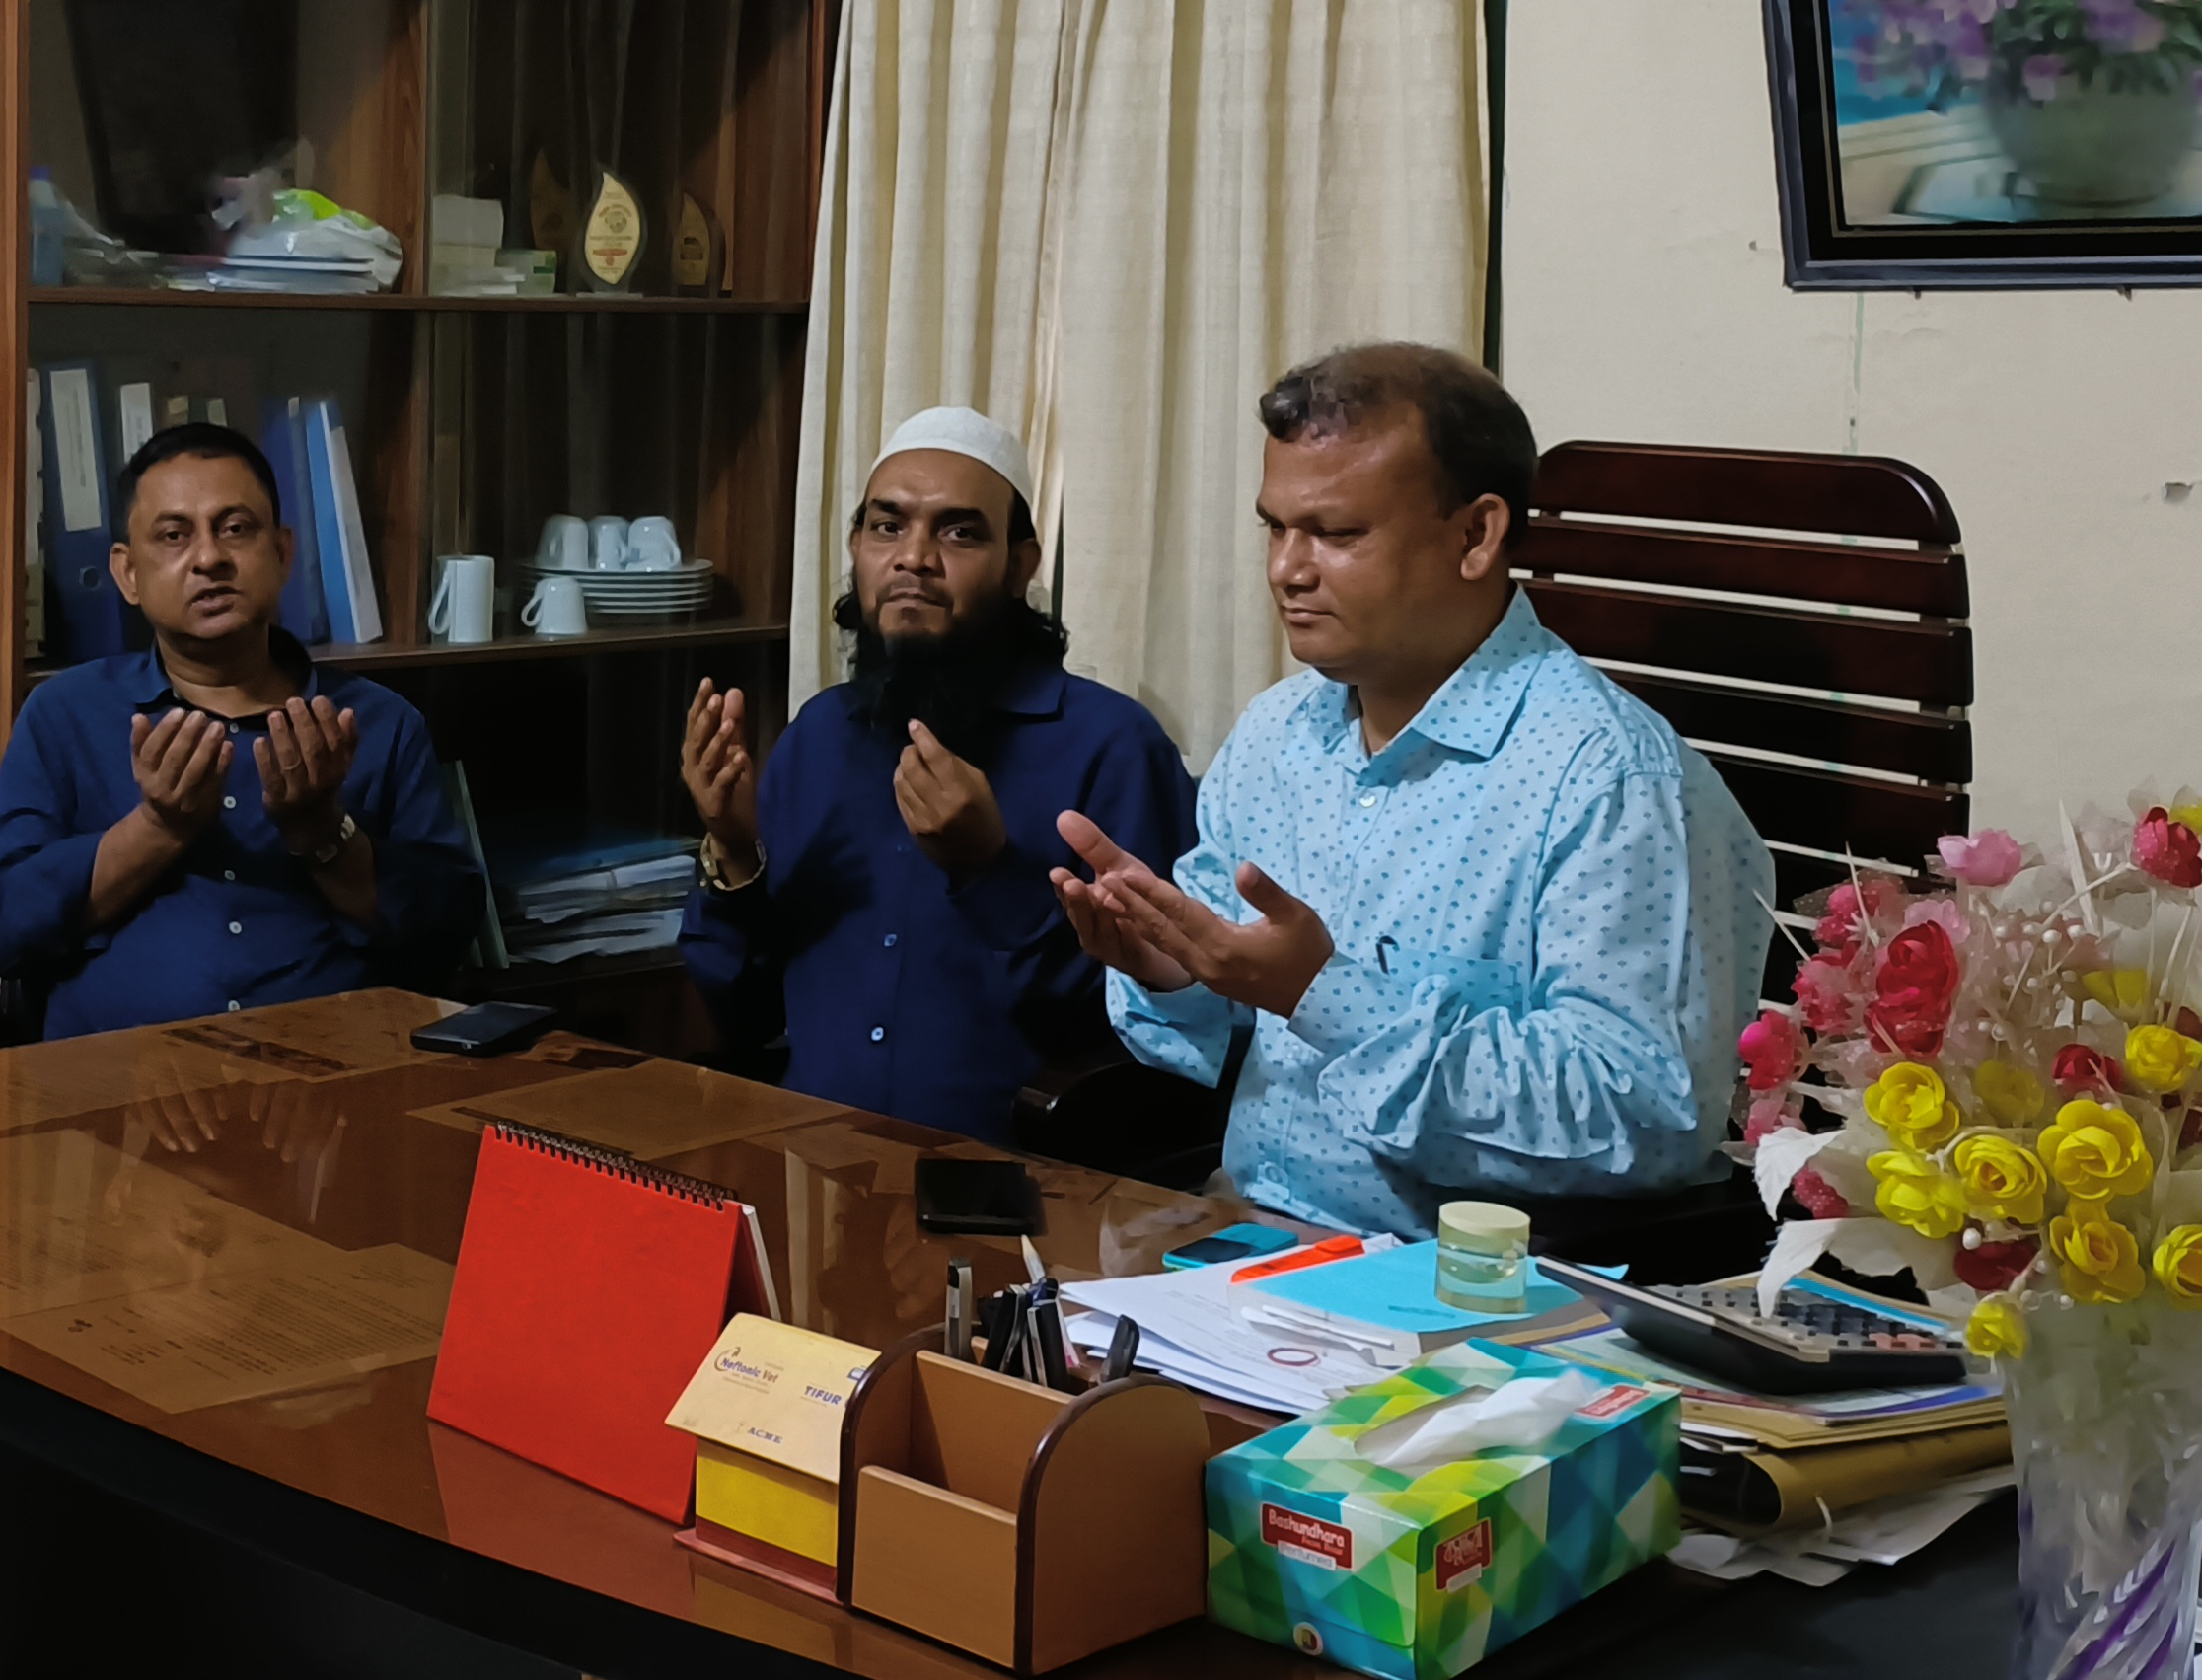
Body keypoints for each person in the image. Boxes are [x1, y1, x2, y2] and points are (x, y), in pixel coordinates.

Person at [1046, 346, 1774, 1243]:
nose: (1287, 569)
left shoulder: (1611, 780)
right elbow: (1224, 996)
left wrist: (1321, 993)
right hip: (1240, 1239)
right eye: (1275, 528)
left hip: (1465, 1292)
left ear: (1475, 536)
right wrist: (1168, 962)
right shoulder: (1279, 731)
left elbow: (1647, 1116)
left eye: (1336, 533)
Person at [673, 407, 1192, 1137]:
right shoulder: (817, 737)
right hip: (811, 1163)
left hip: (1025, 1183)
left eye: (959, 533)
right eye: (887, 527)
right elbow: (743, 1016)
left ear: (1020, 566)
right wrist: (733, 851)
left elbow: (1157, 1035)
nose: (914, 557)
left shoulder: (1114, 748)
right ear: (856, 547)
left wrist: (989, 871)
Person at [0, 420, 479, 1034]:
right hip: (116, 1082)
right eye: (174, 535)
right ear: (128, 574)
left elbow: (446, 935)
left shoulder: (376, 722)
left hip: (334, 1073)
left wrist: (324, 834)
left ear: (282, 553)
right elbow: (1, 930)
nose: (209, 558)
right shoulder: (65, 714)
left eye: (235, 529)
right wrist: (157, 829)